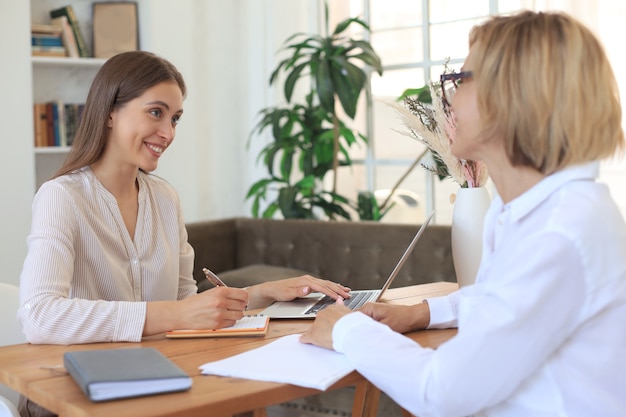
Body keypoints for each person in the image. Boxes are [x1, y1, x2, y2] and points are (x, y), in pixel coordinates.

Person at [301, 10, 626, 417]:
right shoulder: (531, 210)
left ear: (512, 95)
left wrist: (347, 328)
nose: (447, 98)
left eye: (460, 82)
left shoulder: (561, 232)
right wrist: (421, 313)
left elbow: (444, 393)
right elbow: (503, 304)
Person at [17, 50, 351, 416]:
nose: (168, 132)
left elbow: (186, 304)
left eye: (175, 118)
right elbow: (40, 315)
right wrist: (176, 316)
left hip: (159, 380)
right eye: (155, 112)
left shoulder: (164, 198)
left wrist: (263, 294)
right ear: (110, 112)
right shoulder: (62, 197)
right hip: (80, 393)